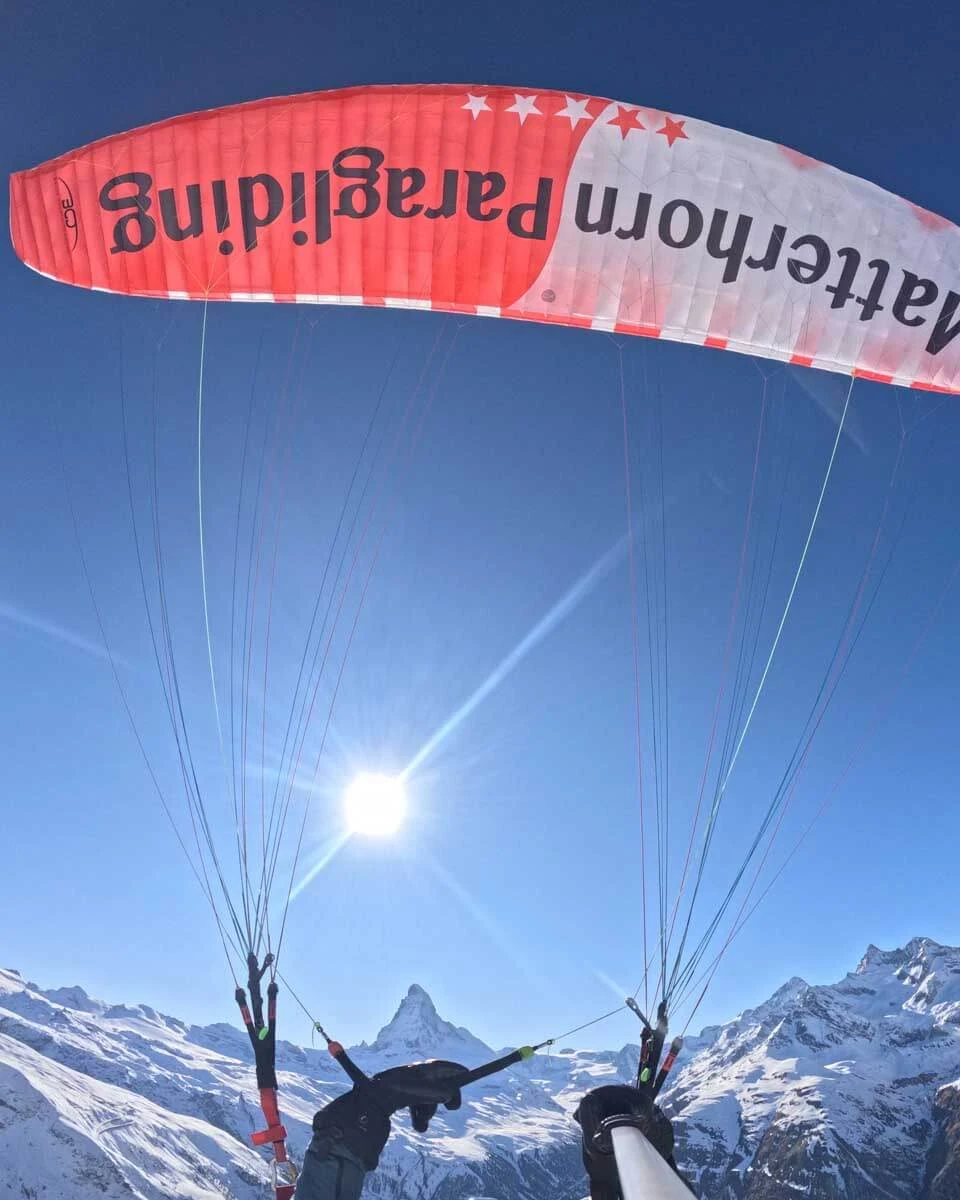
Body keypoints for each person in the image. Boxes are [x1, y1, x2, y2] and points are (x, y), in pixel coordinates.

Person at [294, 1042, 469, 1200]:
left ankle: (409, 1090)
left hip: (340, 1149)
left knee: (372, 1099)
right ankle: (408, 1088)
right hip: (337, 1147)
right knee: (372, 1099)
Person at [574, 1084, 696, 1199]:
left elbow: (602, 1182)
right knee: (666, 1176)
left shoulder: (599, 1162)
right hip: (652, 1127)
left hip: (650, 1128)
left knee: (612, 1180)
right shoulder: (599, 1160)